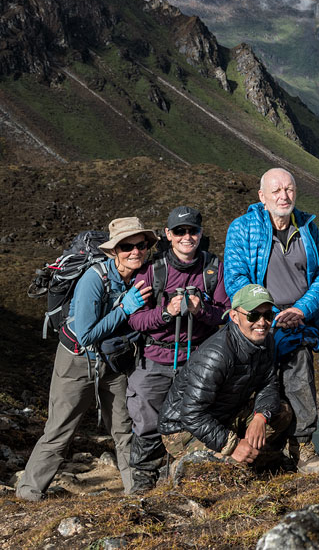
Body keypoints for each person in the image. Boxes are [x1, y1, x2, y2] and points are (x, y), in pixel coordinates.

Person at [17, 217, 156, 501]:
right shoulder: (95, 279)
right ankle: (28, 493)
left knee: (124, 429)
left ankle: (136, 493)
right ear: (113, 251)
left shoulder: (141, 277)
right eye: (126, 246)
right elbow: (86, 335)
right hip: (78, 362)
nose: (135, 252)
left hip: (115, 363)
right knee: (59, 430)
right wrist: (126, 308)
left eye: (141, 245)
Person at [224, 168, 319, 473]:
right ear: (262, 197)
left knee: (299, 367)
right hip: (257, 320)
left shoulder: (308, 227)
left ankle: (302, 445)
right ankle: (252, 446)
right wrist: (269, 315)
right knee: (259, 382)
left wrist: (300, 310)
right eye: (275, 191)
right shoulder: (242, 228)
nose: (283, 196)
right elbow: (235, 280)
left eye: (288, 189)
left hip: (298, 319)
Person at [125, 206, 231, 492]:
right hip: (155, 361)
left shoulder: (213, 269)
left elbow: (225, 314)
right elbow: (135, 319)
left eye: (193, 231)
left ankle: (188, 484)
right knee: (147, 424)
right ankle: (143, 488)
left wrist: (201, 310)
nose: (187, 237)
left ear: (200, 234)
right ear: (168, 234)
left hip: (198, 359)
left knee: (196, 421)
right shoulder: (151, 271)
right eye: (180, 231)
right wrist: (166, 313)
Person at [158, 284, 291, 468]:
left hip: (224, 416)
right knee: (229, 470)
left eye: (268, 315)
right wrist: (232, 445)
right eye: (253, 315)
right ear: (234, 316)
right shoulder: (216, 355)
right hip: (183, 431)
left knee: (282, 412)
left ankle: (255, 457)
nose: (262, 322)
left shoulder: (265, 339)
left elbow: (268, 383)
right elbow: (192, 414)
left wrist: (261, 415)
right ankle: (187, 464)